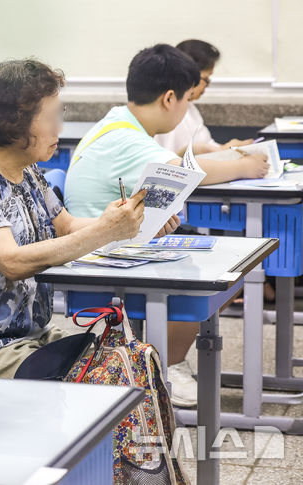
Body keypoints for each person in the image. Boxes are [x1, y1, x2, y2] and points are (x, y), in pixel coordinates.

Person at [0, 59, 178, 381]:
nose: (59, 128)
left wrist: (128, 223)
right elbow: (12, 262)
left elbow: (66, 225)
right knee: (113, 376)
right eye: (51, 117)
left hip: (27, 335)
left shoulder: (26, 169)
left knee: (132, 358)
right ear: (15, 123)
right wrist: (104, 230)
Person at [64, 44, 269, 407]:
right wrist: (244, 166)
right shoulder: (124, 137)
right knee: (215, 270)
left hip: (118, 244)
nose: (188, 108)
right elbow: (184, 171)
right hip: (101, 257)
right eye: (188, 99)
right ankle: (167, 365)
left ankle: (167, 357)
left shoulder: (119, 123)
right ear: (170, 97)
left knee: (225, 260)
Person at [155, 39, 253, 156]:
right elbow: (179, 160)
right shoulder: (171, 112)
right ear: (188, 75)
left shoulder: (189, 107)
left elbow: (205, 145)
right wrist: (223, 151)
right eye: (205, 79)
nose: (206, 86)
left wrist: (227, 148)